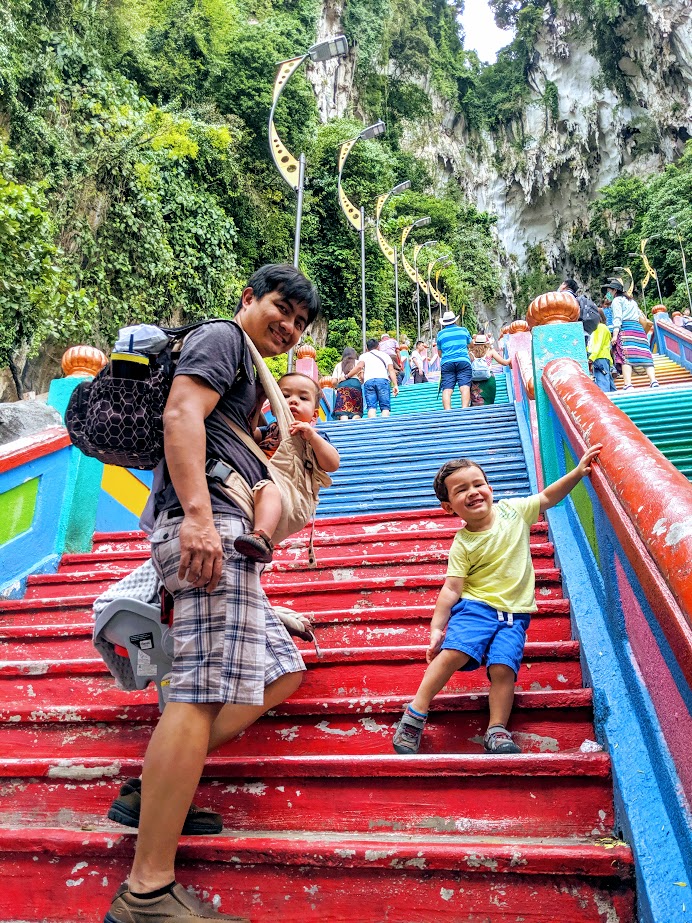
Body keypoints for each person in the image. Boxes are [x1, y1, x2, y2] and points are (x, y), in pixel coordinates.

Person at [104, 264, 321, 923]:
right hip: (207, 525)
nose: (287, 327)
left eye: (300, 323)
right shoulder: (225, 336)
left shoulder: (252, 369)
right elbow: (181, 412)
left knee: (280, 672)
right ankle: (147, 889)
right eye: (280, 309)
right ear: (249, 298)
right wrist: (198, 515)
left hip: (224, 527)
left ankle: (153, 789)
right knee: (198, 693)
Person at [392, 445, 602, 756]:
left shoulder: (512, 511)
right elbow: (451, 588)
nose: (473, 492)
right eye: (461, 490)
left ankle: (497, 729)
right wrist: (437, 627)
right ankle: (415, 713)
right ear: (448, 507)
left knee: (504, 668)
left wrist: (578, 473)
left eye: (478, 484)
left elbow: (546, 498)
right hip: (475, 608)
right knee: (453, 654)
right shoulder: (463, 543)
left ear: (490, 488)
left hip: (514, 615)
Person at [233, 373, 340, 562]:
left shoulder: (312, 435)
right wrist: (258, 402)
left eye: (303, 398)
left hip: (289, 494)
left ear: (315, 414)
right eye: (284, 396)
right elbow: (248, 434)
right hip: (257, 487)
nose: (293, 401)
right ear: (273, 407)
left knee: (269, 489)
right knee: (264, 488)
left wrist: (312, 437)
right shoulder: (270, 429)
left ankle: (261, 537)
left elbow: (332, 464)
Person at [603, 278, 659, 390]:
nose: (608, 294)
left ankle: (628, 384)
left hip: (626, 329)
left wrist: (614, 335)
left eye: (609, 291)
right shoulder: (632, 301)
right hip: (638, 329)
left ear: (614, 290)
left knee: (626, 357)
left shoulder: (617, 301)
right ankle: (653, 381)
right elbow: (639, 315)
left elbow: (617, 319)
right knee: (645, 356)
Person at [436, 310, 473, 410]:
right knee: (464, 386)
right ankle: (464, 409)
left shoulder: (440, 334)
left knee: (447, 389)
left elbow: (440, 354)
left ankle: (448, 411)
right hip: (463, 361)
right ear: (455, 321)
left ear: (444, 323)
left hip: (447, 363)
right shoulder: (463, 330)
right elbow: (471, 345)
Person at [356, 338, 399, 418]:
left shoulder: (363, 356)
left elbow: (359, 367)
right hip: (383, 380)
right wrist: (395, 385)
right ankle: (384, 426)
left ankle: (372, 427)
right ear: (378, 347)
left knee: (371, 407)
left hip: (369, 381)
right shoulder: (385, 355)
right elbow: (391, 370)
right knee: (385, 407)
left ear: (367, 348)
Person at [468, 334, 511, 407]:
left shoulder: (470, 353)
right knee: (489, 403)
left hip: (474, 381)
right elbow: (505, 363)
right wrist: (511, 357)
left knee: (476, 401)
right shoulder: (491, 351)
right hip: (489, 379)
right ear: (487, 343)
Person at [332, 346, 364, 420]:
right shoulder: (357, 363)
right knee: (356, 411)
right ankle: (354, 421)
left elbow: (333, 381)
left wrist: (337, 386)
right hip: (356, 386)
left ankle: (344, 425)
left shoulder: (339, 365)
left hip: (342, 386)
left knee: (343, 410)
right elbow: (362, 377)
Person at [588, 316, 616, 393]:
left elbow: (598, 344)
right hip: (603, 357)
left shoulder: (600, 327)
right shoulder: (602, 328)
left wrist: (591, 357)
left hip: (599, 357)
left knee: (603, 384)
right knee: (609, 384)